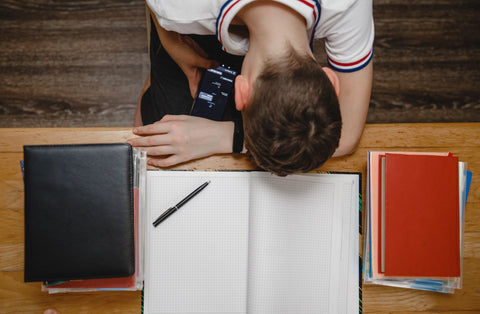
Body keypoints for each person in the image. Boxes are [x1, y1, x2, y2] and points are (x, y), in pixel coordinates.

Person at [128, 0, 374, 176]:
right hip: (183, 19)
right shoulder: (181, 9)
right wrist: (169, 39)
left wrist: (227, 137)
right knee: (157, 117)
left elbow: (348, 137)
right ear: (241, 92)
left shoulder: (348, 4)